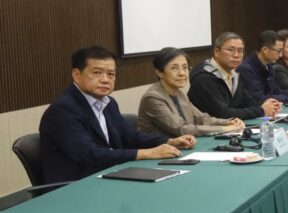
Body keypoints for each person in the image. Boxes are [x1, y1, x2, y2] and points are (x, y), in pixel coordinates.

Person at [38, 46, 194, 184]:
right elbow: (89, 154)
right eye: (97, 73)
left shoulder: (108, 103)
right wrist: (146, 153)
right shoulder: (63, 110)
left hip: (108, 175)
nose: (105, 80)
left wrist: (169, 141)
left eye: (111, 74)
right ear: (77, 75)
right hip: (76, 186)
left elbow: (130, 137)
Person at [138, 47, 246, 137]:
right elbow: (181, 129)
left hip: (182, 146)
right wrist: (224, 129)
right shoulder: (152, 98)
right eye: (174, 68)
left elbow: (201, 118)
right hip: (158, 151)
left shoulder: (179, 93)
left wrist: (228, 122)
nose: (182, 73)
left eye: (185, 68)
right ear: (159, 72)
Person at [189, 32, 281, 120]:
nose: (236, 55)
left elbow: (246, 102)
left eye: (240, 51)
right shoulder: (204, 77)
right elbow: (222, 114)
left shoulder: (233, 74)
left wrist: (268, 105)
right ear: (216, 51)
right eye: (230, 50)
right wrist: (261, 110)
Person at [238, 30, 288, 104]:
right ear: (265, 50)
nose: (281, 55)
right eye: (278, 51)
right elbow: (258, 98)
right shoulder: (247, 69)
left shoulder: (268, 65)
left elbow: (275, 91)